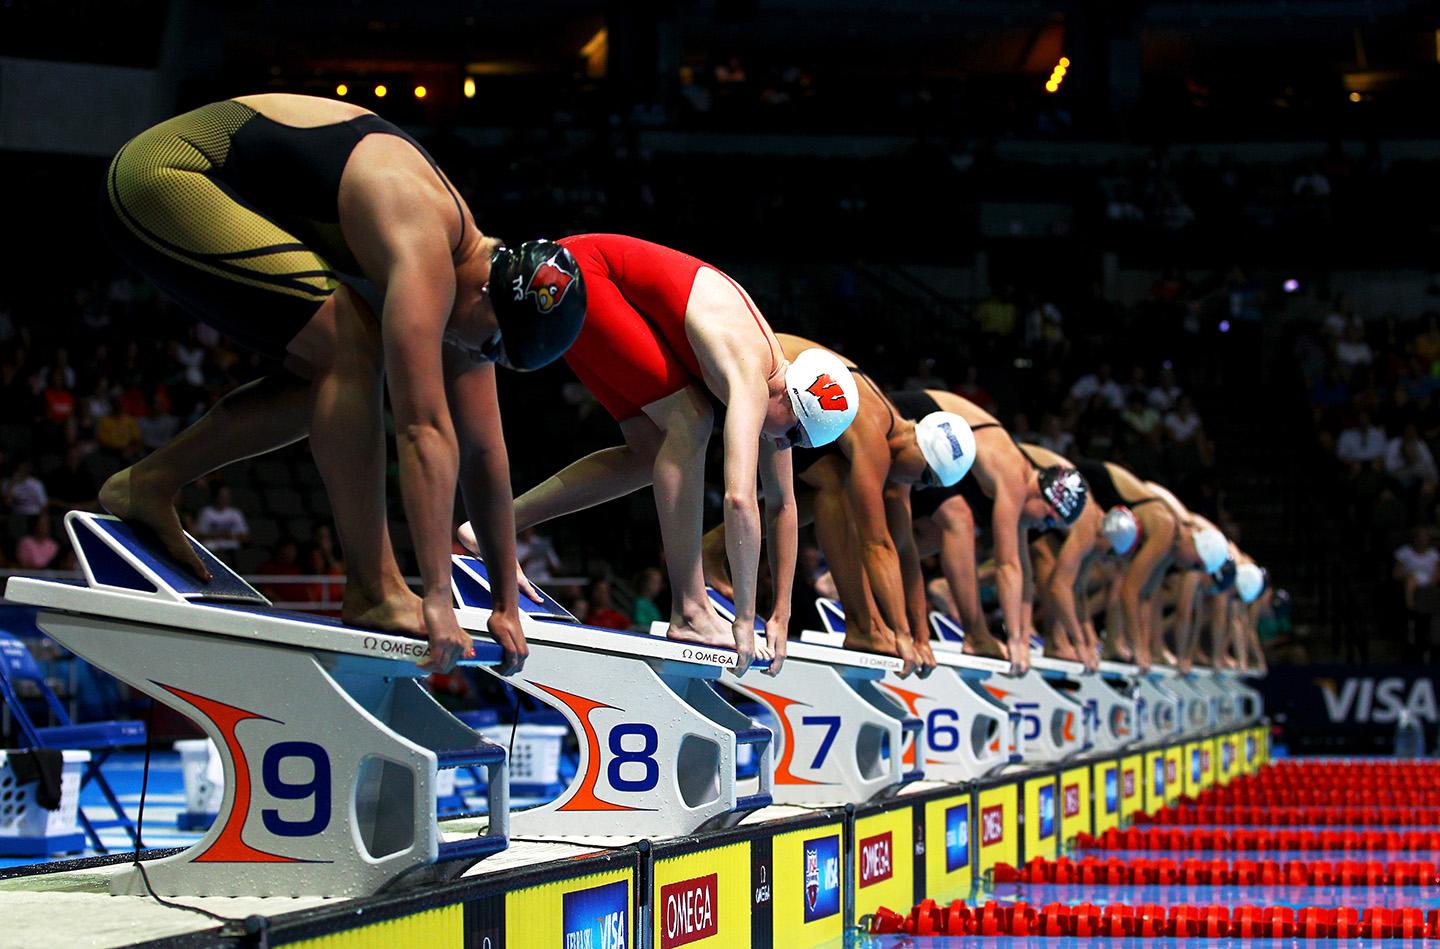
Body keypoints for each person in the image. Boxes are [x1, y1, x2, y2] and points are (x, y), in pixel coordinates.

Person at [98, 93, 582, 672]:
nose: (485, 357)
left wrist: (506, 601)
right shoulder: (426, 246)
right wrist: (434, 597)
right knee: (350, 353)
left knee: (334, 380)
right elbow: (423, 428)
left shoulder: (479, 286)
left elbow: (483, 451)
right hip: (165, 174)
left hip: (242, 193)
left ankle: (147, 484)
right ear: (487, 296)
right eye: (495, 344)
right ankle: (374, 590)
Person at [463, 236, 859, 675]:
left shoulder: (781, 390)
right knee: (691, 420)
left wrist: (779, 615)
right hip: (576, 274)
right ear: (788, 398)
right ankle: (690, 608)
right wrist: (745, 619)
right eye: (794, 435)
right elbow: (740, 500)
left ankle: (492, 529)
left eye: (798, 444)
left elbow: (782, 505)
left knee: (651, 453)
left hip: (593, 278)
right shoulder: (750, 373)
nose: (786, 446)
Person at [704, 343, 976, 676]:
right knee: (836, 486)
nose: (920, 487)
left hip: (778, 380)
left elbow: (905, 550)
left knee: (827, 486)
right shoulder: (875, 441)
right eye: (926, 478)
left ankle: (711, 549)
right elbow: (876, 545)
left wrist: (920, 636)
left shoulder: (895, 442)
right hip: (757, 374)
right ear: (918, 448)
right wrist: (901, 633)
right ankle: (862, 625)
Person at [897, 391, 1087, 674]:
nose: (1041, 528)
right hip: (916, 414)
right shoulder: (1014, 479)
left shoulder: (1023, 483)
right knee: (958, 519)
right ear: (1043, 496)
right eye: (1048, 520)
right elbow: (1006, 564)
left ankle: (839, 580)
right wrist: (1014, 640)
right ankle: (975, 634)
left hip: (941, 428)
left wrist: (1022, 637)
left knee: (941, 532)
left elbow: (1023, 570)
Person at [193, 483, 250, 564]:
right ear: (216, 496)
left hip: (233, 551)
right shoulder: (206, 512)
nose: (225, 498)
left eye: (227, 495)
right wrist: (217, 535)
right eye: (222, 496)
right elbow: (198, 535)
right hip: (212, 549)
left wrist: (230, 535)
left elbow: (246, 537)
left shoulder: (235, 513)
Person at [630, 567, 666, 631]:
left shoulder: (653, 605)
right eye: (655, 582)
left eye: (659, 583)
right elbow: (640, 626)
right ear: (645, 583)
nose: (660, 586)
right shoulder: (640, 603)